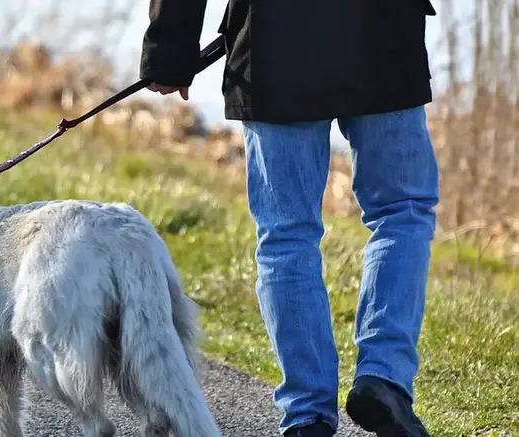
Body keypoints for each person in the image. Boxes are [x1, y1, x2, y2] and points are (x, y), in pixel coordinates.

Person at [138, 0, 440, 436]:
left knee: (286, 234)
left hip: (274, 42)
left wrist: (169, 50)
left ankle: (308, 414)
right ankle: (385, 376)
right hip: (381, 33)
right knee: (401, 210)